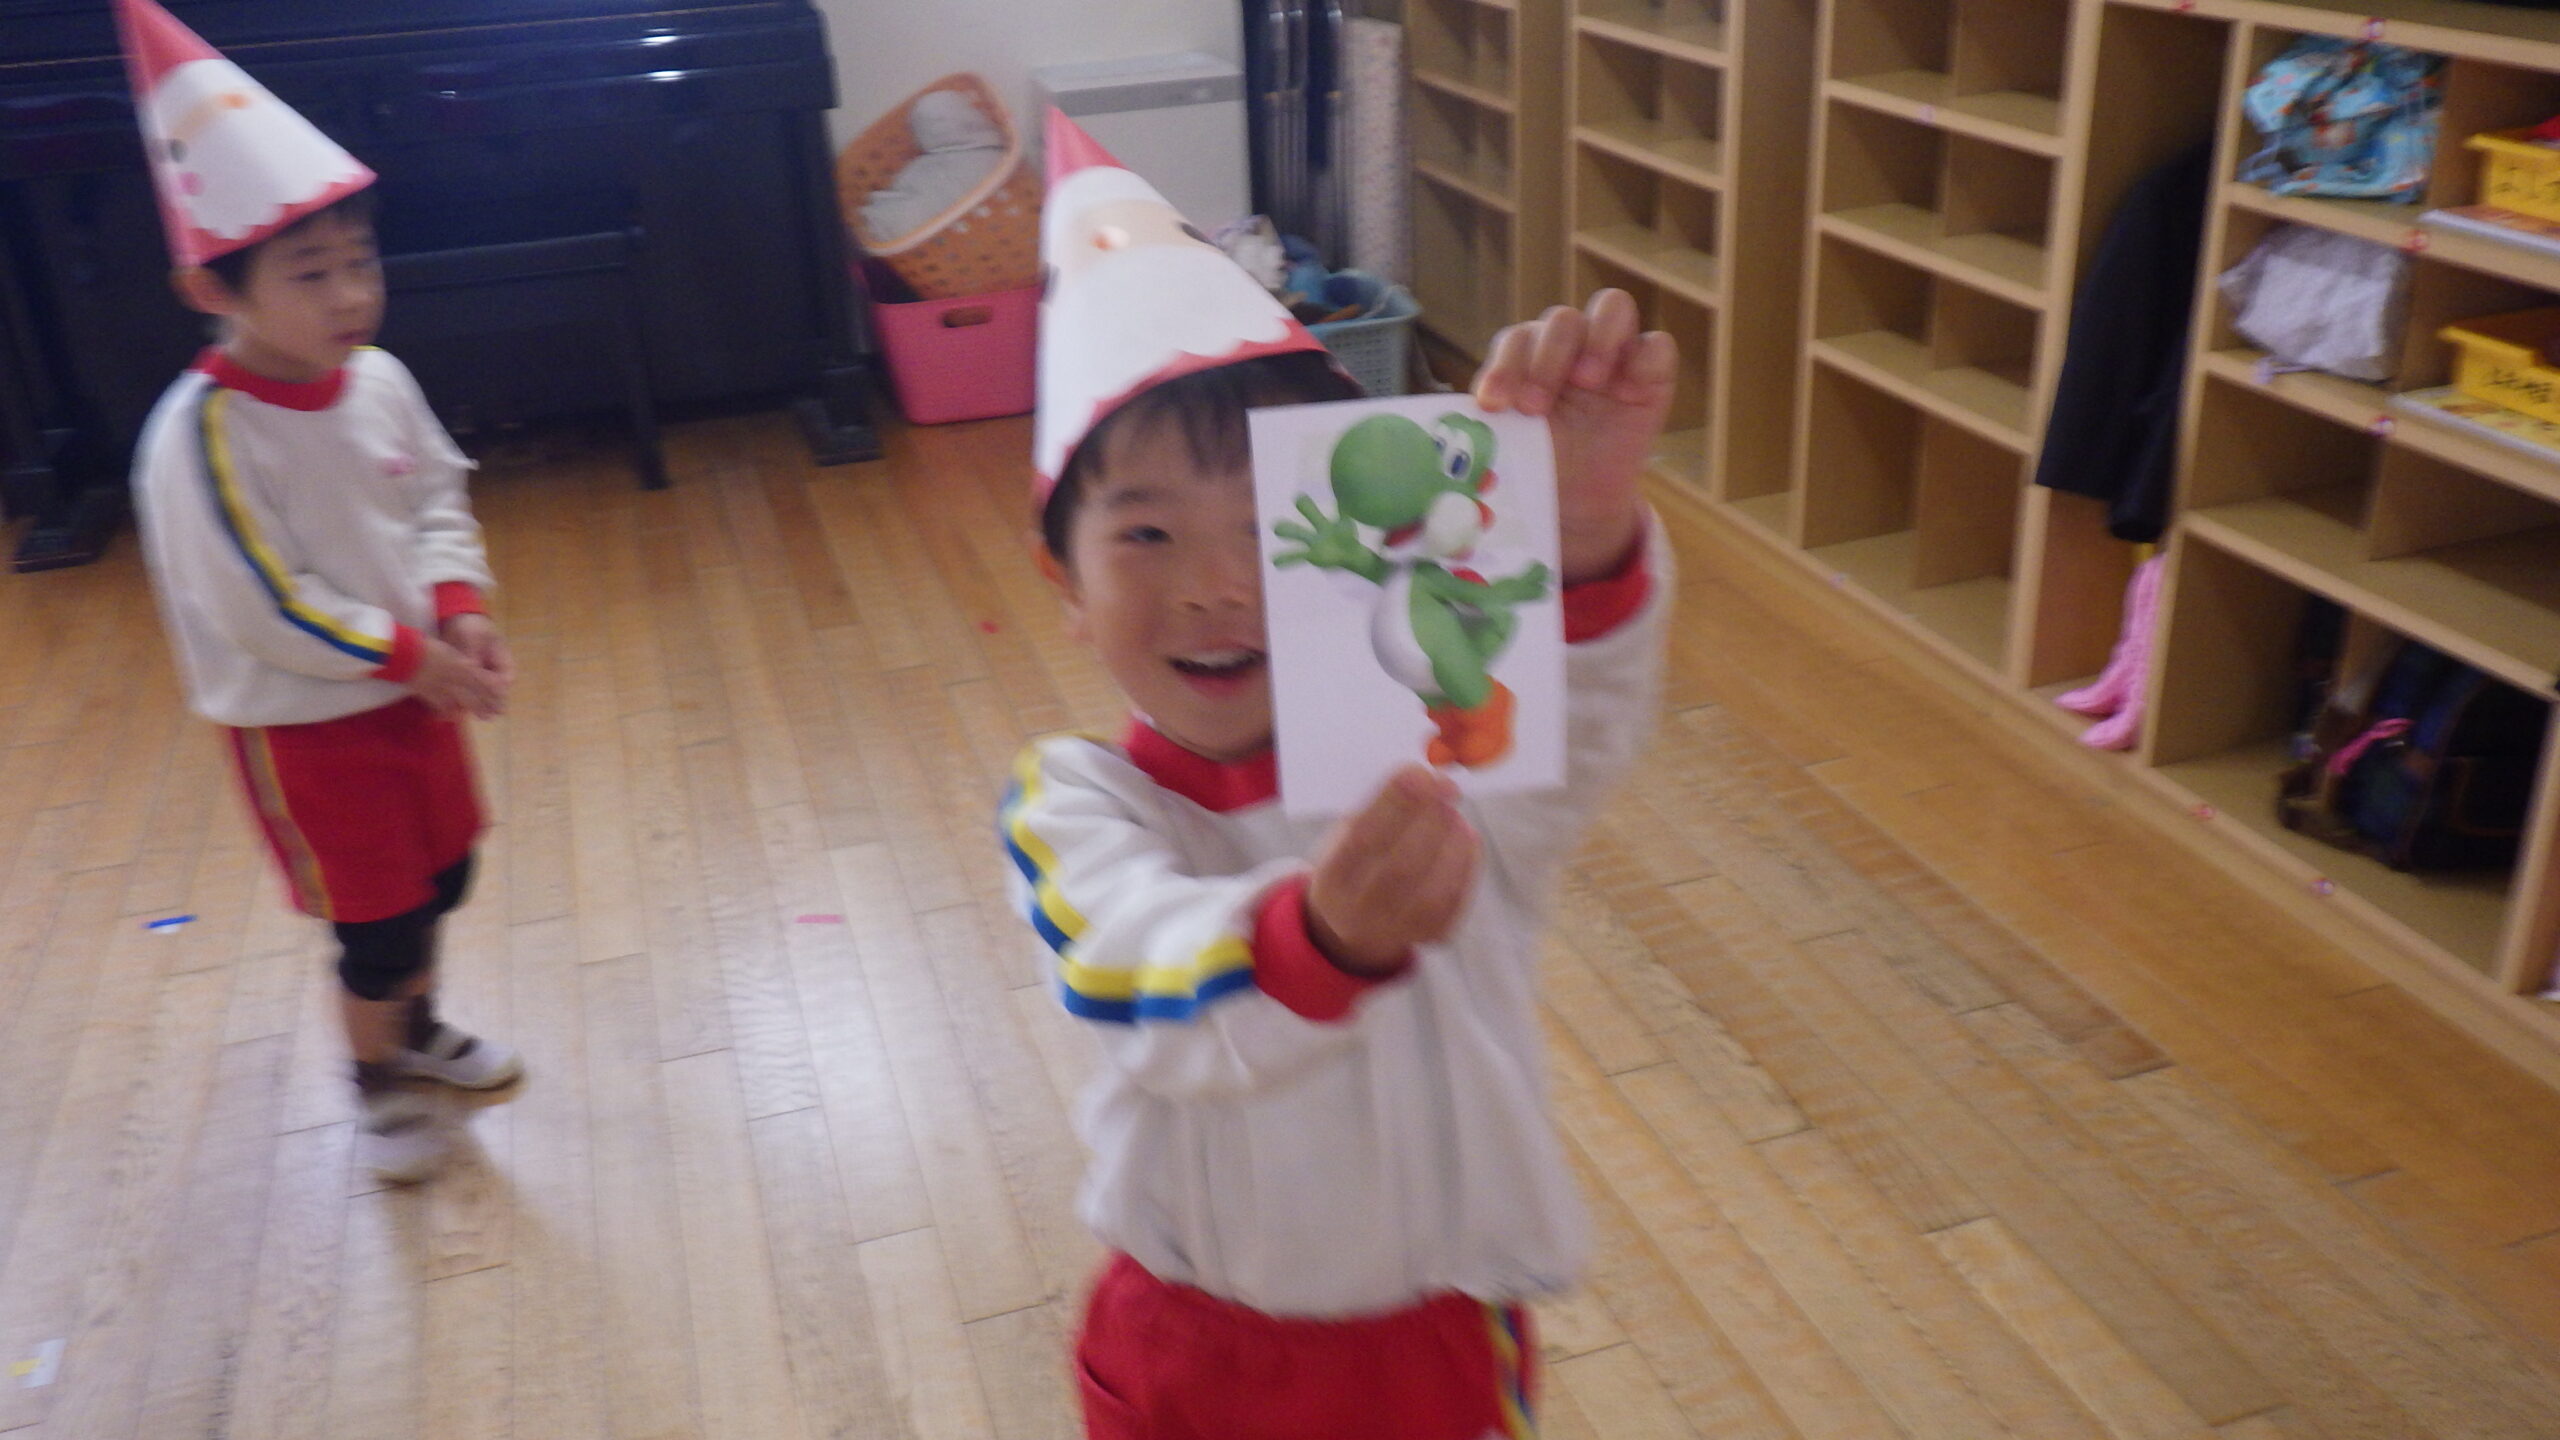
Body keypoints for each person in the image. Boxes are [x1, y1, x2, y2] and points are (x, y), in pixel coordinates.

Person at [1006, 111, 1675, 1440]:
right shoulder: (1074, 802)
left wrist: (1584, 534)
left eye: (1268, 526)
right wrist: (1319, 936)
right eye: (1146, 533)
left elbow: (1576, 733)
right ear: (1063, 581)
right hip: (1191, 1346)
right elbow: (1129, 970)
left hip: (1430, 1347)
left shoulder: (1428, 753)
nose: (1215, 585)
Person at [117, 0, 521, 1184]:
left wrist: (461, 610)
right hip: (310, 730)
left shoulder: (378, 379)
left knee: (442, 879)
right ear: (215, 289)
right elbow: (265, 602)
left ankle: (418, 1030)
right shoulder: (204, 437)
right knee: (376, 920)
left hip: (414, 695)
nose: (351, 296)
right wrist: (410, 655)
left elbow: (435, 494)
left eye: (361, 264)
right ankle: (377, 1080)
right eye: (311, 274)